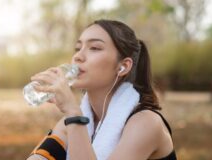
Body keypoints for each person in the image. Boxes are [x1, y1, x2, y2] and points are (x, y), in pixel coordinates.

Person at [27, 19, 177, 160]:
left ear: (123, 66)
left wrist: (73, 112)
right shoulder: (73, 122)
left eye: (94, 48)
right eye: (78, 48)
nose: (78, 56)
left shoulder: (146, 123)